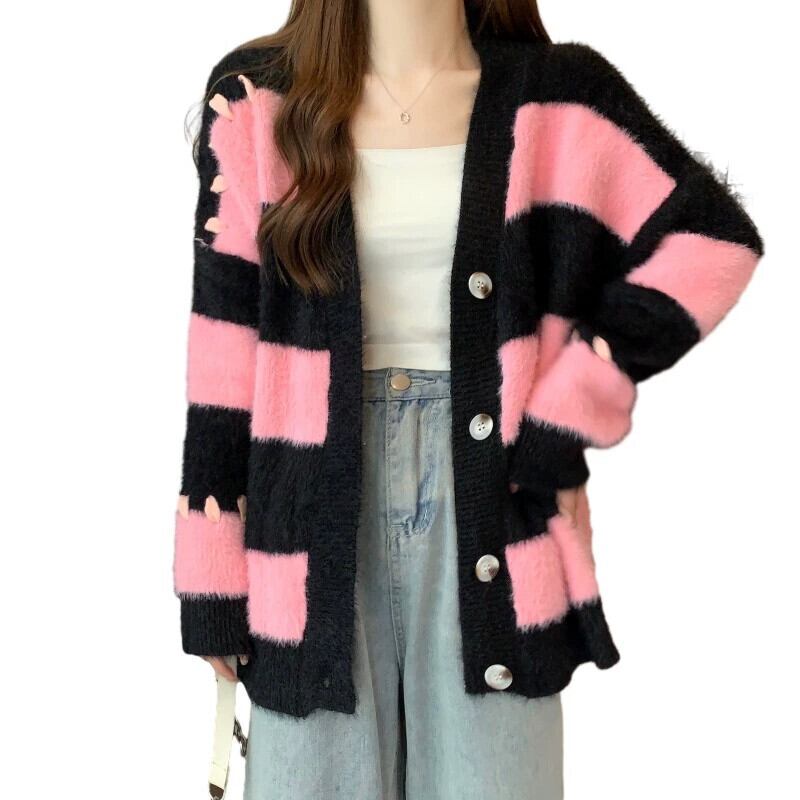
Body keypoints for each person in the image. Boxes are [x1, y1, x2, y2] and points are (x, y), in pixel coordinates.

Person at [172, 1, 763, 797]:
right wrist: (211, 578)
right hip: (305, 530)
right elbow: (223, 344)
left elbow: (711, 244)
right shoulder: (256, 100)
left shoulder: (559, 95)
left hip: (493, 510)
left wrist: (571, 404)